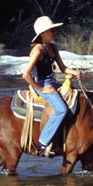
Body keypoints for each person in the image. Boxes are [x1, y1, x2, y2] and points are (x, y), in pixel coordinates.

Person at [22, 16, 82, 156]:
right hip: (42, 83)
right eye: (51, 31)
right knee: (61, 109)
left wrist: (75, 72)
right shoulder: (37, 50)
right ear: (42, 34)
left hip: (53, 81)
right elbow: (26, 74)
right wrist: (40, 88)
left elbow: (63, 68)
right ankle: (43, 143)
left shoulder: (53, 47)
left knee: (76, 99)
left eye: (54, 30)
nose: (55, 33)